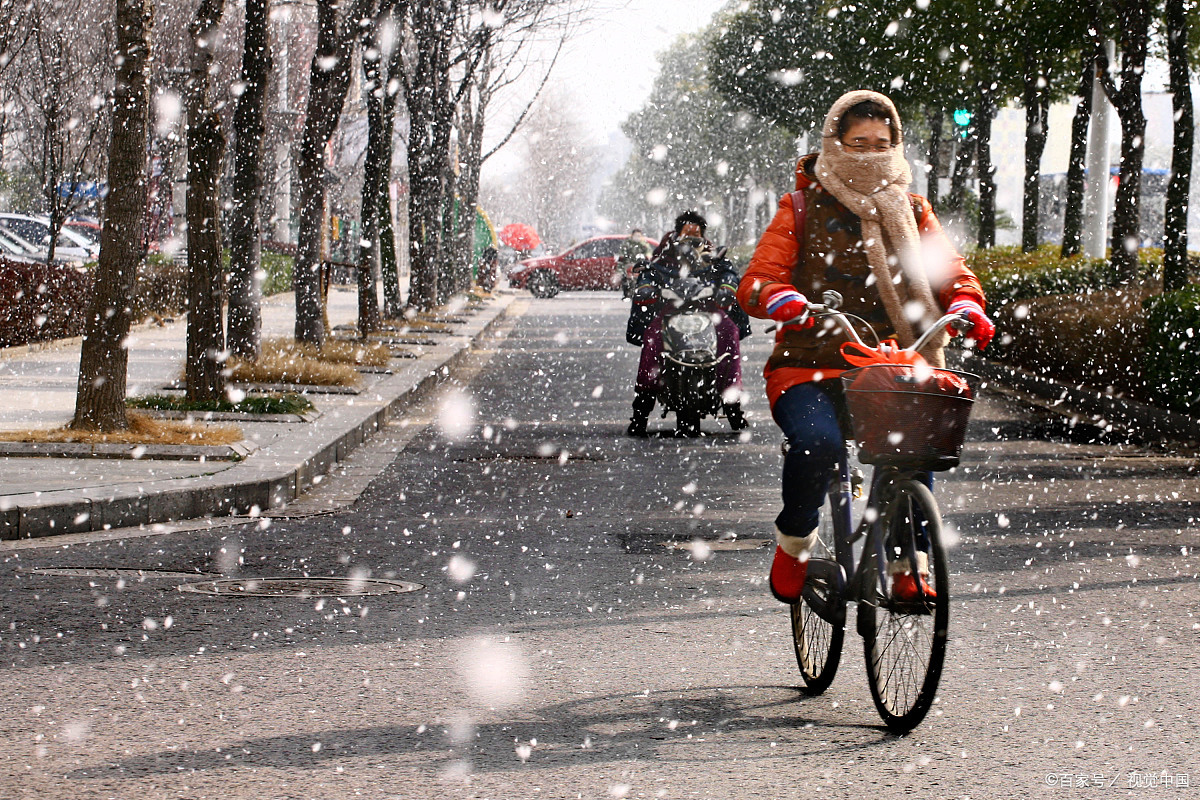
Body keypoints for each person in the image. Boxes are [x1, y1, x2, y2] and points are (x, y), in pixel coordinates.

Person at [736, 90, 995, 603]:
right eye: (858, 143)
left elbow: (951, 273)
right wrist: (779, 297)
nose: (871, 153)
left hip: (893, 365)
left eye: (882, 143)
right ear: (834, 143)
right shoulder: (800, 206)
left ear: (896, 146)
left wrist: (968, 302)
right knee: (818, 447)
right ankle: (796, 542)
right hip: (808, 365)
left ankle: (908, 562)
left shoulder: (915, 211)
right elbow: (757, 281)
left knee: (918, 446)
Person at [626, 211, 750, 436]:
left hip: (709, 310)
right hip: (669, 311)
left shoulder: (715, 256)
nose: (692, 237)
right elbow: (650, 273)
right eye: (687, 232)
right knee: (652, 339)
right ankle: (641, 411)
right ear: (677, 232)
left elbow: (729, 274)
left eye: (697, 232)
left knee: (730, 333)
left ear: (703, 234)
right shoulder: (663, 255)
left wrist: (727, 289)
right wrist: (645, 288)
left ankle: (733, 404)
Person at [617, 228, 654, 296]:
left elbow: (648, 251)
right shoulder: (627, 243)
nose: (637, 237)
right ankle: (626, 293)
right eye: (636, 235)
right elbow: (622, 253)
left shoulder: (643, 244)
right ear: (632, 235)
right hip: (628, 264)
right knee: (626, 278)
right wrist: (623, 257)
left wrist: (647, 256)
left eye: (639, 236)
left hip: (639, 264)